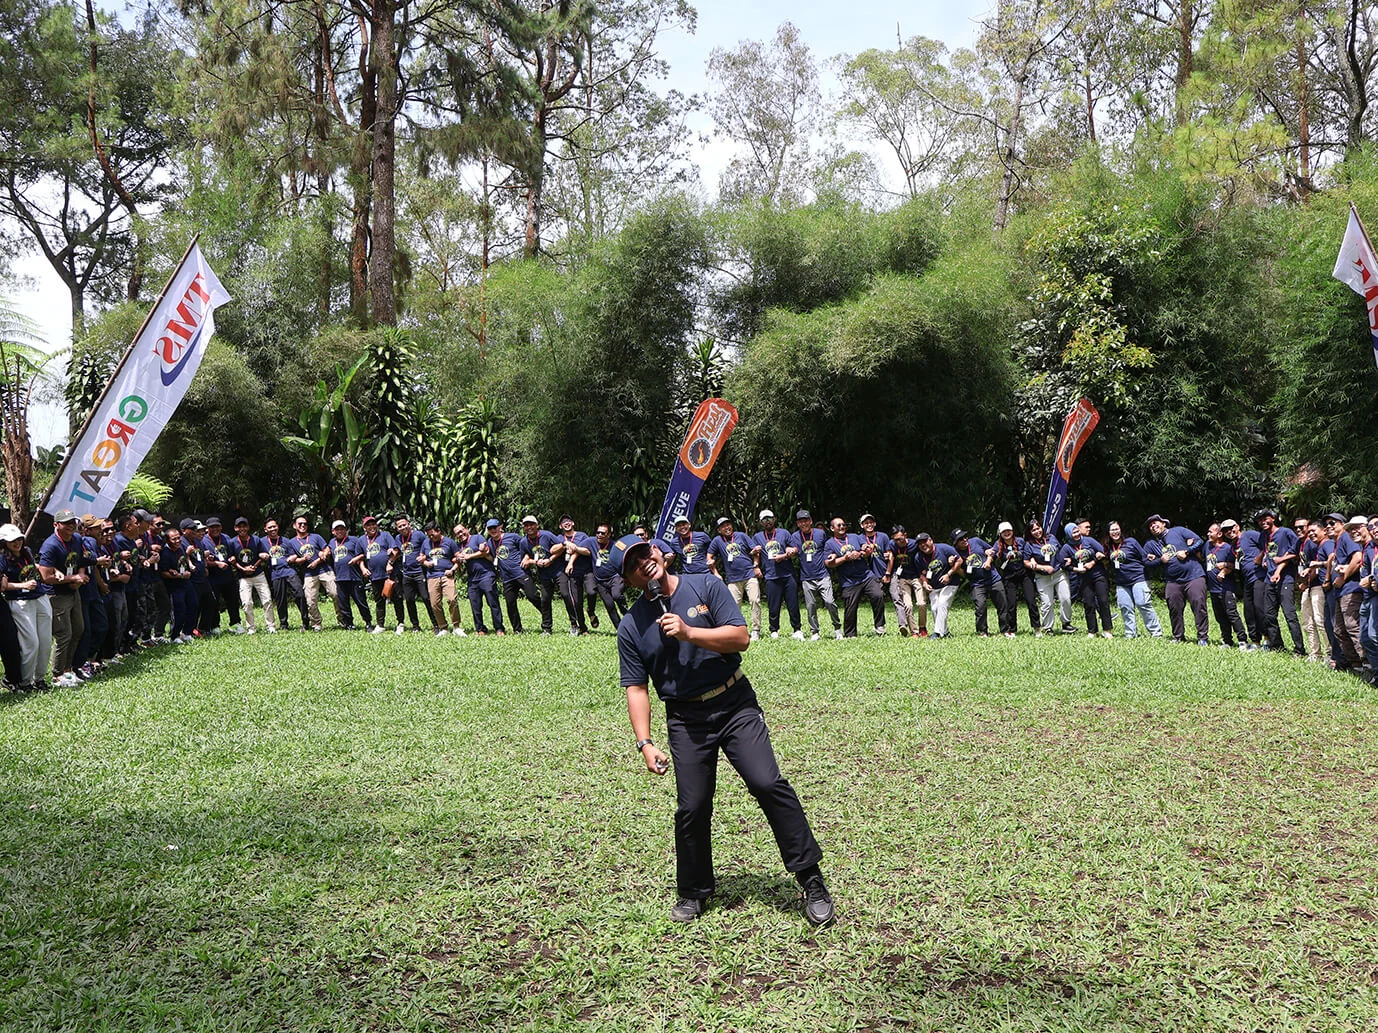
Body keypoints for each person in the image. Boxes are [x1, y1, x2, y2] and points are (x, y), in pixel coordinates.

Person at [611, 533, 834, 927]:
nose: (644, 563)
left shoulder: (706, 584)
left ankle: (811, 878)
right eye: (632, 564)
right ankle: (694, 890)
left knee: (767, 783)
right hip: (685, 719)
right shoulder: (631, 626)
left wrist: (689, 632)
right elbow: (636, 687)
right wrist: (644, 742)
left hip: (734, 704)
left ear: (658, 552)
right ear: (628, 580)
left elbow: (740, 637)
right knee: (692, 806)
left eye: (645, 553)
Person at [37, 509, 88, 687]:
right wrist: (71, 579)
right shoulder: (50, 546)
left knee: (78, 629)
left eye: (72, 522)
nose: (71, 526)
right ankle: (57, 675)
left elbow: (81, 561)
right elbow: (45, 576)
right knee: (63, 634)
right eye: (66, 523)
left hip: (74, 592)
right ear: (56, 525)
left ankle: (68, 670)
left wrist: (79, 578)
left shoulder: (77, 539)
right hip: (56, 595)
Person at [1145, 514, 1209, 645]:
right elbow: (1145, 562)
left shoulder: (1178, 531)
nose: (1153, 526)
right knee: (1174, 608)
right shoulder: (1151, 544)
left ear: (1163, 523)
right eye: (1150, 525)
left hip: (1194, 576)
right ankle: (1178, 636)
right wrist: (1159, 560)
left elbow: (1199, 541)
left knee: (1199, 605)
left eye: (1155, 523)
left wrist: (1187, 551)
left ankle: (1202, 637)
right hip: (1173, 580)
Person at [0, 523, 50, 691]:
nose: (17, 543)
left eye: (19, 539)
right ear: (4, 542)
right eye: (12, 540)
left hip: (40, 596)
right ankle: (25, 682)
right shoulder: (2, 558)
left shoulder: (26, 552)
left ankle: (40, 679)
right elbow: (3, 586)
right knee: (31, 643)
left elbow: (33, 568)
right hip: (20, 601)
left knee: (45, 642)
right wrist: (23, 585)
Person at [1256, 508, 1305, 655]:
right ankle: (1277, 645)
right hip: (1269, 578)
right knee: (1269, 615)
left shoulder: (1285, 532)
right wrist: (1265, 561)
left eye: (1266, 518)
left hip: (1286, 579)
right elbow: (1268, 553)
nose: (1263, 522)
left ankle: (1299, 649)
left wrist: (1279, 568)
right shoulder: (1263, 536)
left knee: (1290, 615)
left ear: (1274, 518)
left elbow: (1295, 551)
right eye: (1260, 520)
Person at [824, 517, 882, 638]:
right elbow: (829, 563)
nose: (841, 527)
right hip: (849, 580)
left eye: (843, 525)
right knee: (850, 608)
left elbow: (868, 550)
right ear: (832, 528)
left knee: (878, 595)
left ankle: (879, 626)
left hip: (866, 576)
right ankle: (850, 634)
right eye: (838, 525)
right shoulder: (830, 543)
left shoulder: (855, 537)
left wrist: (860, 553)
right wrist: (844, 558)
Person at [708, 517, 762, 640]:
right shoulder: (717, 541)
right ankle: (736, 630)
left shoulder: (741, 536)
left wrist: (756, 565)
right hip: (732, 579)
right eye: (723, 526)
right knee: (733, 605)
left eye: (728, 524)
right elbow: (709, 557)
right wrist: (715, 572)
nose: (727, 527)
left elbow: (755, 551)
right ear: (719, 530)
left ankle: (755, 630)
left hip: (749, 574)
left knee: (755, 601)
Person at [790, 510, 841, 640]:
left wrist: (834, 555)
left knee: (830, 602)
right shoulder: (795, 536)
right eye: (801, 521)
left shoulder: (820, 533)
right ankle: (815, 632)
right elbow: (792, 550)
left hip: (823, 574)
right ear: (798, 523)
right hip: (807, 577)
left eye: (806, 520)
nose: (804, 523)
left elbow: (828, 547)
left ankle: (837, 628)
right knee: (811, 606)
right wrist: (791, 551)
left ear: (811, 521)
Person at [1106, 520, 1161, 639]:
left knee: (1143, 604)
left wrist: (1154, 558)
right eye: (1112, 530)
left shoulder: (1131, 542)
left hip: (1138, 578)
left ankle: (1156, 633)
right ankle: (1130, 633)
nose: (1115, 532)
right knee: (1125, 607)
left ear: (1121, 530)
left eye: (1117, 529)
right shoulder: (1108, 546)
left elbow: (1144, 556)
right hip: (1122, 581)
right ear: (1108, 532)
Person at [752, 510, 803, 640]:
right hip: (770, 575)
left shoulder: (783, 533)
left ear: (774, 519)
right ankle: (774, 630)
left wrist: (787, 553)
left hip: (787, 574)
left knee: (793, 604)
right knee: (773, 605)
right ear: (760, 522)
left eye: (769, 518)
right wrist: (756, 566)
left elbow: (793, 548)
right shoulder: (757, 537)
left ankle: (797, 629)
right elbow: (756, 553)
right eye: (764, 520)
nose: (767, 521)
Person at [1023, 518, 1072, 636]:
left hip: (1059, 573)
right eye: (1033, 530)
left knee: (1066, 598)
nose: (1037, 531)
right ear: (1030, 532)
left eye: (1038, 528)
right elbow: (1026, 562)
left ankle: (1066, 624)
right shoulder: (1029, 545)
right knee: (1047, 603)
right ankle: (1048, 627)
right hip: (1043, 577)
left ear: (1042, 528)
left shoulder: (1051, 538)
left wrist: (1067, 558)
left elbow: (1060, 550)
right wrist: (1041, 567)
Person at [1330, 515, 1367, 671]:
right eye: (1326, 524)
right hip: (1341, 592)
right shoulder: (1339, 541)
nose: (1328, 526)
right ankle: (1356, 664)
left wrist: (1343, 577)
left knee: (1352, 626)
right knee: (1339, 629)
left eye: (1332, 523)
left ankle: (1368, 663)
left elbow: (1358, 558)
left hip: (1351, 589)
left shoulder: (1346, 537)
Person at [1065, 522, 1112, 638]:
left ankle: (1107, 630)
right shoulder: (1067, 547)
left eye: (1076, 531)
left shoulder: (1089, 540)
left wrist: (1093, 561)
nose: (1076, 534)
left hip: (1098, 574)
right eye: (1073, 533)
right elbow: (1062, 564)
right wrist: (1074, 568)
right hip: (1083, 577)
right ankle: (1092, 631)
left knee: (1103, 600)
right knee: (1088, 603)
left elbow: (1103, 552)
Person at [1205, 522, 1248, 649]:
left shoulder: (1228, 548)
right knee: (1220, 616)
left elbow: (1235, 565)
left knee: (1232, 614)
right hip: (1213, 589)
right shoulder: (1207, 546)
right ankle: (1227, 640)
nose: (1208, 534)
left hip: (1226, 588)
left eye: (1210, 532)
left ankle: (1242, 640)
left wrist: (1224, 569)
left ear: (1219, 534)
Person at [493, 519, 540, 634]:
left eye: (495, 527)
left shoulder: (512, 537)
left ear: (500, 527)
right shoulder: (490, 542)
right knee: (510, 603)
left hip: (521, 573)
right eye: (490, 529)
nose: (493, 530)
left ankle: (547, 619)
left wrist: (527, 557)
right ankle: (517, 629)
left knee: (533, 596)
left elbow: (526, 545)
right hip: (507, 578)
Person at [460, 520, 505, 635]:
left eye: (461, 531)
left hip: (486, 575)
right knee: (475, 605)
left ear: (466, 529)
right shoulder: (460, 545)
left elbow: (485, 551)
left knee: (493, 603)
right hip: (472, 579)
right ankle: (480, 629)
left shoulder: (477, 538)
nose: (460, 534)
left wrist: (469, 556)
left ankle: (499, 628)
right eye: (457, 534)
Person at [551, 515, 594, 635]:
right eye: (563, 522)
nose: (566, 523)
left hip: (584, 570)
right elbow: (552, 550)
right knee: (571, 598)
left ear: (573, 523)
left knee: (587, 594)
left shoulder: (582, 536)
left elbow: (588, 550)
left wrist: (575, 549)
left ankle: (586, 620)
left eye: (568, 521)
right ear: (560, 526)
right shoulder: (559, 537)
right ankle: (576, 625)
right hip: (568, 573)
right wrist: (564, 544)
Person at [289, 516, 334, 632]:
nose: (303, 526)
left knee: (335, 593)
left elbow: (327, 549)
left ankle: (342, 619)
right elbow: (295, 560)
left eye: (305, 523)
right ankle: (316, 623)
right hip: (309, 574)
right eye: (300, 524)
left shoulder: (316, 537)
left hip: (324, 570)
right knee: (310, 601)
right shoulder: (292, 542)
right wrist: (303, 559)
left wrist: (321, 557)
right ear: (294, 526)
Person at [420, 521, 465, 635]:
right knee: (435, 604)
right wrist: (425, 563)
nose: (431, 537)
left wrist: (452, 570)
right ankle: (443, 628)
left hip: (446, 575)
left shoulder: (449, 542)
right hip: (432, 577)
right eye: (429, 535)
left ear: (439, 531)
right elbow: (422, 558)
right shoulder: (426, 543)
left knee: (452, 599)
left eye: (433, 534)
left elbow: (458, 559)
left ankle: (456, 626)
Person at [232, 516, 275, 633]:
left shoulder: (256, 540)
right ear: (235, 528)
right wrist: (243, 569)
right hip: (243, 577)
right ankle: (251, 628)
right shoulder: (232, 542)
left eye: (244, 526)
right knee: (246, 603)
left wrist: (255, 565)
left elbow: (264, 555)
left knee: (267, 600)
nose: (242, 529)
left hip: (258, 574)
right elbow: (232, 560)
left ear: (248, 527)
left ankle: (271, 626)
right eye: (239, 527)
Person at [390, 514, 432, 632]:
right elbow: (398, 552)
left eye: (404, 525)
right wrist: (390, 560)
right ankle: (415, 626)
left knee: (426, 598)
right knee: (409, 600)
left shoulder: (418, 535)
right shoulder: (398, 538)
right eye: (400, 526)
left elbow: (428, 547)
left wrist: (424, 558)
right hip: (407, 574)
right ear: (397, 528)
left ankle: (436, 625)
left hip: (419, 572)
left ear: (409, 524)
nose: (403, 528)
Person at [264, 518, 308, 631]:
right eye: (270, 527)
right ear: (265, 529)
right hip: (276, 573)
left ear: (277, 527)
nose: (272, 529)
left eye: (274, 526)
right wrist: (261, 555)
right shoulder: (262, 542)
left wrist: (292, 558)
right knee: (280, 599)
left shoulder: (286, 541)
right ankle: (284, 624)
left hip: (289, 570)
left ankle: (305, 621)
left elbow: (294, 555)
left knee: (299, 594)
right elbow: (257, 552)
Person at [953, 528, 998, 637]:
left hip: (993, 578)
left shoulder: (976, 541)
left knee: (1002, 605)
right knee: (980, 607)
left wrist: (988, 559)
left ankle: (1006, 630)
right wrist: (955, 566)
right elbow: (963, 574)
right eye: (960, 539)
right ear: (956, 543)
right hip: (976, 583)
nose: (964, 540)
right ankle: (982, 632)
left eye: (965, 537)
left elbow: (993, 551)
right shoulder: (955, 553)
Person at [518, 516, 559, 635]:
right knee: (545, 599)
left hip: (557, 570)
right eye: (526, 525)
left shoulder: (547, 535)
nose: (529, 527)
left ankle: (575, 625)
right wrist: (531, 560)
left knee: (566, 595)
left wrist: (550, 560)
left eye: (531, 524)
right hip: (544, 574)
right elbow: (525, 556)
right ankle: (547, 628)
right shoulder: (523, 542)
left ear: (537, 525)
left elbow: (561, 547)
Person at [201, 516, 242, 634]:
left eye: (217, 526)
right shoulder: (203, 541)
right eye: (212, 527)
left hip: (227, 575)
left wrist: (232, 558)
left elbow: (231, 554)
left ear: (221, 527)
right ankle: (215, 626)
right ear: (207, 528)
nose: (215, 529)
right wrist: (216, 563)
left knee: (233, 600)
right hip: (213, 576)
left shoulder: (226, 538)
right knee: (214, 602)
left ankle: (235, 623)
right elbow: (203, 561)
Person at [360, 515, 399, 634]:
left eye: (373, 524)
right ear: (364, 527)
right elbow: (360, 556)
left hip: (389, 574)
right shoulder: (361, 540)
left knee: (397, 599)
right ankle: (380, 625)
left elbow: (396, 551)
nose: (372, 526)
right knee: (379, 601)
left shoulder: (385, 535)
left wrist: (390, 562)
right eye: (368, 525)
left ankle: (400, 623)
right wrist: (363, 568)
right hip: (374, 575)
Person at [917, 532, 960, 638]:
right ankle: (945, 632)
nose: (923, 545)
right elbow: (920, 574)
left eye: (925, 541)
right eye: (920, 543)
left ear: (931, 540)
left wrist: (948, 574)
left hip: (950, 583)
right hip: (934, 586)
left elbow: (959, 560)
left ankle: (937, 633)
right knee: (935, 608)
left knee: (942, 603)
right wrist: (925, 583)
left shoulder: (944, 548)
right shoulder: (918, 557)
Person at [329, 519, 370, 630]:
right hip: (340, 578)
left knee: (361, 601)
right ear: (333, 531)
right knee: (343, 604)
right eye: (337, 529)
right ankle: (349, 624)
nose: (340, 531)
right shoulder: (331, 543)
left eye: (342, 529)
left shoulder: (354, 540)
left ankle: (368, 622)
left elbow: (364, 553)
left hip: (354, 577)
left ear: (346, 530)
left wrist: (357, 560)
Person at [888, 525, 927, 638]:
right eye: (896, 539)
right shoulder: (892, 545)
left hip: (916, 576)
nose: (898, 542)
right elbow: (890, 556)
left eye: (900, 538)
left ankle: (922, 627)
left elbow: (924, 555)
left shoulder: (914, 544)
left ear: (905, 535)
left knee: (921, 603)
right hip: (903, 578)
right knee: (908, 605)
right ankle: (914, 631)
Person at [589, 523, 629, 630]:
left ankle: (625, 609)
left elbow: (627, 552)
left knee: (616, 595)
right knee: (609, 605)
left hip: (615, 577)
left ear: (609, 535)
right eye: (598, 532)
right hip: (600, 581)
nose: (600, 535)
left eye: (603, 533)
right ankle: (620, 629)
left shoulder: (616, 545)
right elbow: (577, 547)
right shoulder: (591, 542)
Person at [1297, 519, 1327, 662]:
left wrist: (1307, 581)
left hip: (1316, 586)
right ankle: (1315, 653)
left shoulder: (1314, 544)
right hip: (1307, 587)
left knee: (1320, 620)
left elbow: (1315, 566)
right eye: (1296, 527)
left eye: (1303, 527)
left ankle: (1330, 653)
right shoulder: (1302, 543)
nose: (1300, 530)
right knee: (1307, 621)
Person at [857, 514, 891, 635]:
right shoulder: (860, 538)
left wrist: (888, 572)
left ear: (875, 523)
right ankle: (879, 625)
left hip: (884, 571)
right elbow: (862, 549)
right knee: (877, 597)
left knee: (883, 598)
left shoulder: (883, 536)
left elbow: (889, 554)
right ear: (862, 525)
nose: (869, 525)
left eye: (871, 522)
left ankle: (882, 625)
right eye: (866, 523)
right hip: (869, 574)